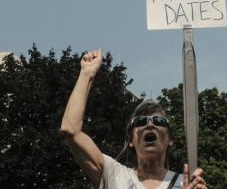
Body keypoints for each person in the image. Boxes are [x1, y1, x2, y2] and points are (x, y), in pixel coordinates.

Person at [60, 49, 207, 189]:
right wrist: (87, 74)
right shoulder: (114, 175)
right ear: (131, 140)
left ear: (170, 139)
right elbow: (71, 130)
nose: (150, 125)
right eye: (141, 122)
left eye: (159, 121)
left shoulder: (186, 184)